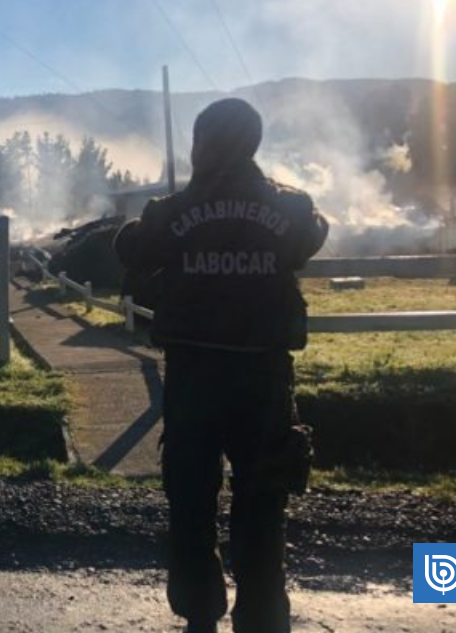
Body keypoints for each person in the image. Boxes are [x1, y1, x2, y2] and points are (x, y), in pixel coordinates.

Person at [114, 98, 328, 633]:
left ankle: (200, 607)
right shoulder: (292, 208)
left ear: (202, 142)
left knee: (190, 494)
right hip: (264, 376)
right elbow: (313, 235)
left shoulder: (170, 212)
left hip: (194, 373)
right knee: (263, 496)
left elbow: (131, 249)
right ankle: (261, 615)